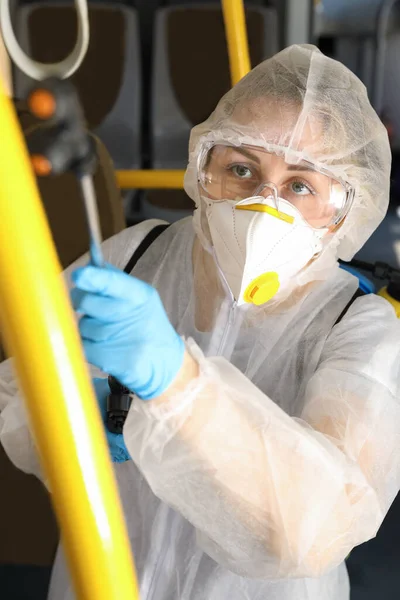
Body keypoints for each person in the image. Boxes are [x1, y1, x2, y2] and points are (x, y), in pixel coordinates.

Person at [1, 44, 400, 600]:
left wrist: (175, 386)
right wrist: (72, 408)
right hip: (103, 579)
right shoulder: (136, 255)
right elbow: (17, 393)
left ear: (346, 208)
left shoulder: (359, 326)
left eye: (301, 185)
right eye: (241, 168)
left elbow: (312, 531)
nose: (265, 202)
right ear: (202, 169)